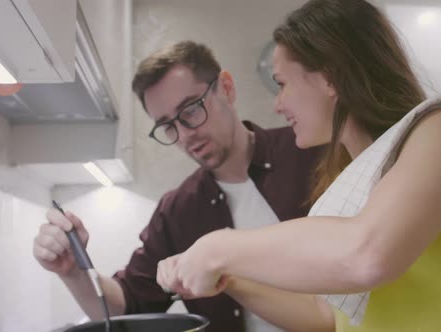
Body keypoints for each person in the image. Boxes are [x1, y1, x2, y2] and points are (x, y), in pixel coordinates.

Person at [156, 1, 441, 331]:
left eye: (282, 84)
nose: (277, 105)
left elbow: (369, 254)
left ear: (330, 77)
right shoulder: (354, 175)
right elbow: (326, 314)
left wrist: (218, 248)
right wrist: (226, 277)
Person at [33, 41, 322, 332]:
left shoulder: (311, 153)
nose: (185, 135)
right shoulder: (179, 211)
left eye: (191, 110)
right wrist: (74, 273)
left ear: (226, 88)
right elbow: (127, 306)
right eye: (168, 125)